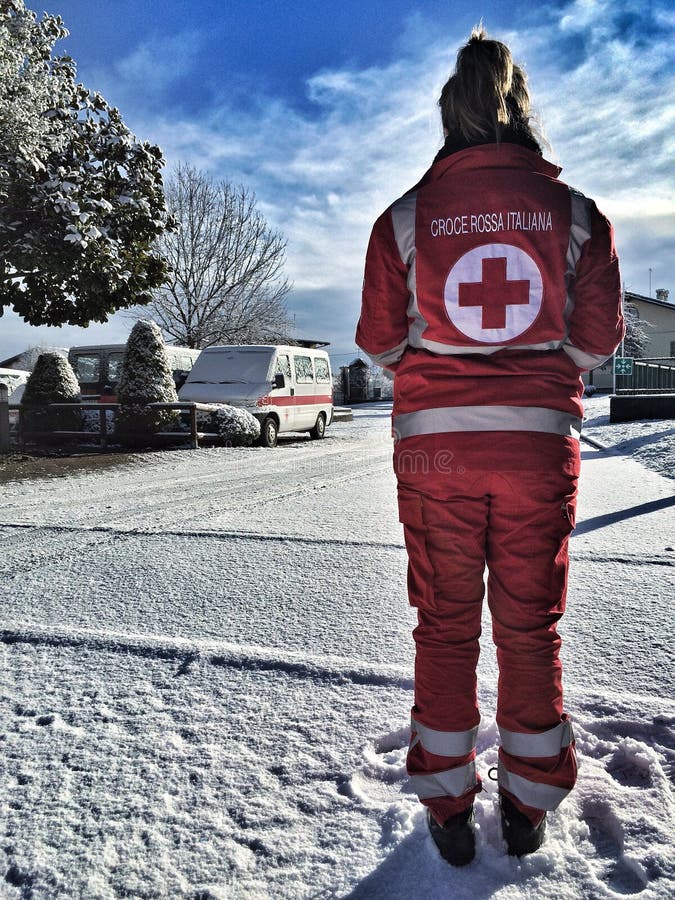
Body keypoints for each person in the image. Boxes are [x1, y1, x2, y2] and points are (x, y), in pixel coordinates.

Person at [356, 26, 624, 866]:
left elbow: (378, 342)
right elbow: (596, 339)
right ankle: (528, 801)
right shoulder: (577, 215)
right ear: (522, 110)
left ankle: (445, 800)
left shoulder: (402, 219)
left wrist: (446, 369)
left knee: (442, 625)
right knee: (527, 624)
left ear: (448, 113)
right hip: (536, 451)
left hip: (434, 451)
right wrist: (535, 377)